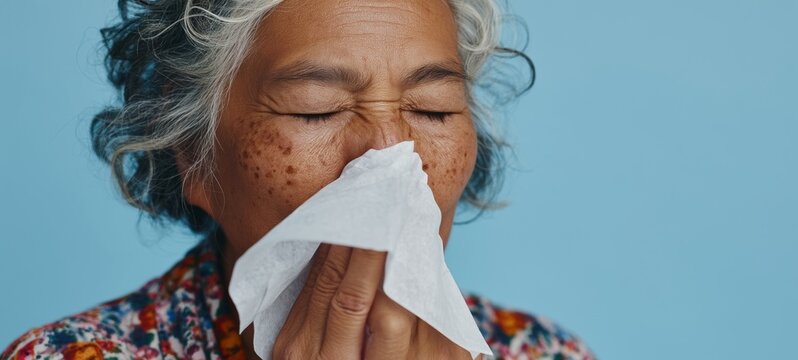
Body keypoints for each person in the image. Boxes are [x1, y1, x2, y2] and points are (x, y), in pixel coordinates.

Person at [2, 0, 597, 359]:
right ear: (194, 156)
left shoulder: (545, 351)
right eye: (316, 109)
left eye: (433, 108)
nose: (389, 157)